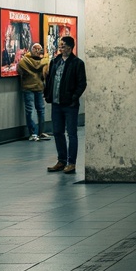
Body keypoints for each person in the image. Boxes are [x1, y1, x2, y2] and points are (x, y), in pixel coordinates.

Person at [45, 36, 86, 173]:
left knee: (72, 133)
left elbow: (82, 83)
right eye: (60, 46)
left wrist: (73, 98)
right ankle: (61, 160)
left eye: (63, 46)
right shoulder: (55, 62)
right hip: (56, 103)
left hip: (70, 105)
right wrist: (48, 94)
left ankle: (71, 162)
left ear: (70, 47)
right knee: (57, 132)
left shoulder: (77, 63)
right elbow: (50, 79)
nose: (60, 48)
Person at [19, 43, 50, 140]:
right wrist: (45, 59)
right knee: (31, 110)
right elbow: (36, 66)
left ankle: (40, 132)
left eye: (39, 49)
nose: (37, 51)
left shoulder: (38, 60)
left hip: (39, 88)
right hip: (29, 88)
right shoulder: (25, 60)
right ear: (31, 49)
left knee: (40, 110)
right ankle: (33, 133)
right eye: (35, 49)